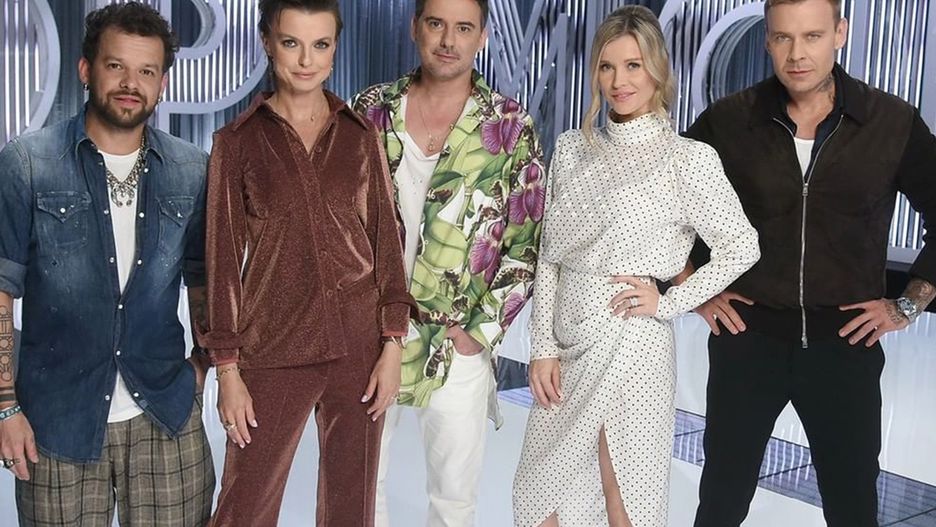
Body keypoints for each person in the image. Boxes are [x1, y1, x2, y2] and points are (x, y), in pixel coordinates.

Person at [684, 0, 936, 525]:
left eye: (813, 36)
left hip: (844, 346)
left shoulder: (890, 122)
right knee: (721, 503)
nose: (797, 54)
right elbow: (660, 206)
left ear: (840, 33)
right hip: (747, 343)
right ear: (767, 40)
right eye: (783, 38)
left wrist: (908, 305)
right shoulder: (730, 121)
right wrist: (692, 287)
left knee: (852, 507)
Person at [512, 6, 761, 527]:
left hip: (633, 345)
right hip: (568, 342)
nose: (619, 81)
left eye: (633, 65)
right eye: (607, 67)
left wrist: (668, 301)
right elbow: (550, 257)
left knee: (623, 495)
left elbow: (742, 245)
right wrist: (541, 349)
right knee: (537, 498)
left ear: (657, 69)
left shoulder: (688, 158)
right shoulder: (573, 149)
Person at [198, 0, 416, 525]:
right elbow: (221, 264)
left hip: (358, 348)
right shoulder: (237, 142)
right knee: (243, 509)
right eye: (291, 43)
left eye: (320, 45)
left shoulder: (360, 136)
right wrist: (227, 369)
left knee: (351, 510)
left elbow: (387, 245)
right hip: (273, 346)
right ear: (267, 43)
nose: (305, 60)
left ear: (335, 49)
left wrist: (392, 344)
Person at [0, 2, 215, 525]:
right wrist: (5, 404)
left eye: (147, 71)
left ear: (162, 83)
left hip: (165, 414)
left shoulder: (192, 170)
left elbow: (206, 279)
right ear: (85, 69)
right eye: (116, 65)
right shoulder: (28, 162)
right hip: (57, 422)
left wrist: (204, 363)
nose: (130, 84)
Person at [351, 0, 545, 524]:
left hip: (456, 340)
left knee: (453, 501)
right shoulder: (370, 110)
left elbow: (525, 242)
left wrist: (478, 332)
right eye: (436, 24)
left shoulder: (509, 125)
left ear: (482, 37)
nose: (448, 40)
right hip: (371, 334)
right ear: (415, 28)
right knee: (361, 489)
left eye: (463, 28)